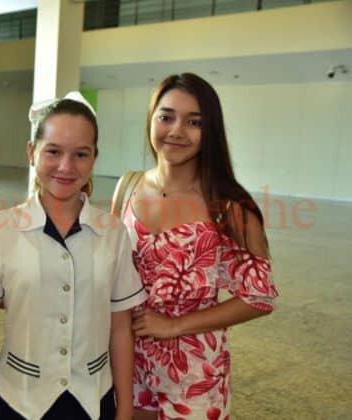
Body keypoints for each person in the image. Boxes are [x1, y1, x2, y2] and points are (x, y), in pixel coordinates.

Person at [0, 92, 147, 420]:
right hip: (21, 400)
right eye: (53, 151)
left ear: (94, 157)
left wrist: (126, 407)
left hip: (93, 400)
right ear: (31, 152)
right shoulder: (0, 229)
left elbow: (120, 327)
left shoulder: (113, 232)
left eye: (81, 154)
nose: (66, 166)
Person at [112, 73, 278, 419]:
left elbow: (260, 296)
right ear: (151, 119)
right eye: (166, 117)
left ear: (210, 130)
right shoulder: (127, 187)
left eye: (194, 122)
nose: (176, 131)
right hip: (128, 366)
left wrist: (173, 325)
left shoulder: (227, 205)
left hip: (194, 377)